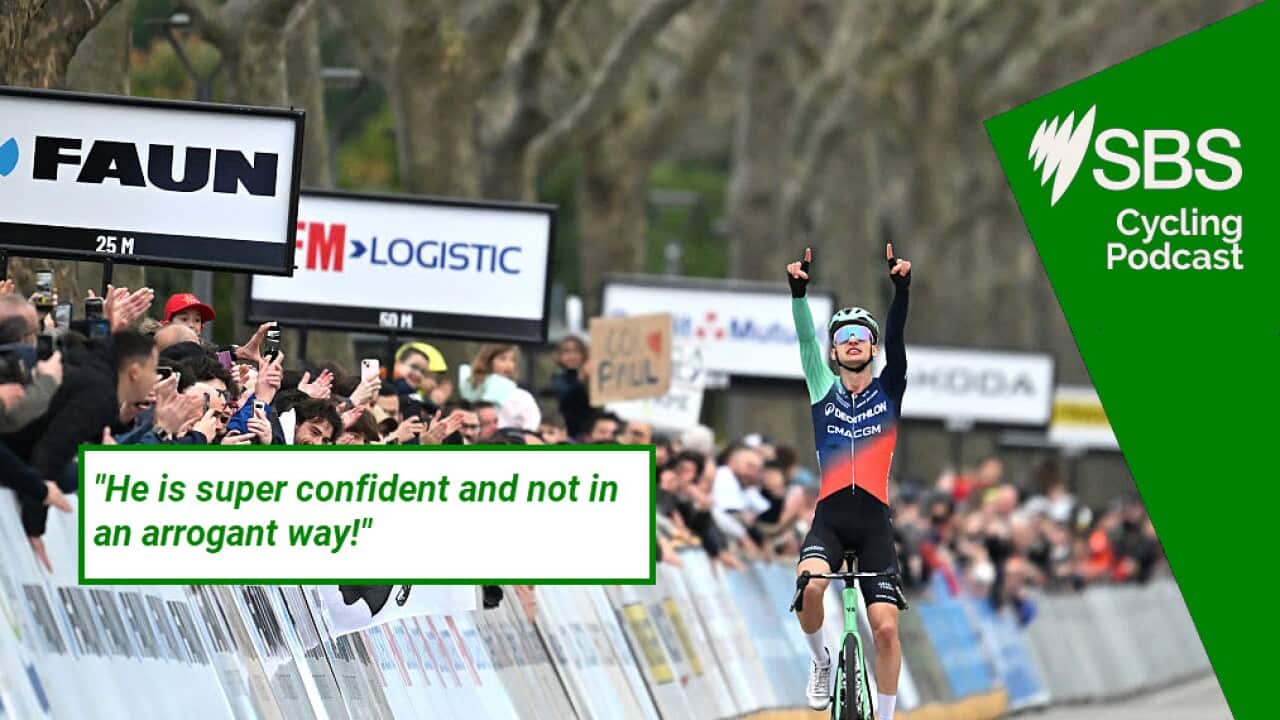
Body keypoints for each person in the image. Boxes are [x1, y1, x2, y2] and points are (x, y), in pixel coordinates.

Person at [787, 244, 912, 718]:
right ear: (834, 352)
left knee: (884, 630)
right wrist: (798, 294)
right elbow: (803, 342)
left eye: (863, 335)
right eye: (844, 337)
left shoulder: (889, 387)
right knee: (810, 587)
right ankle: (820, 661)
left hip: (874, 522)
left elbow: (899, 339)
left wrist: (901, 290)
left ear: (873, 348)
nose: (854, 341)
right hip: (832, 518)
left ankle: (884, 715)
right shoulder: (822, 388)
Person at [459, 344, 541, 431]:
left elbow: (532, 424)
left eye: (513, 360)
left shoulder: (521, 396)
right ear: (488, 361)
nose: (509, 365)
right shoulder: (470, 388)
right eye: (502, 358)